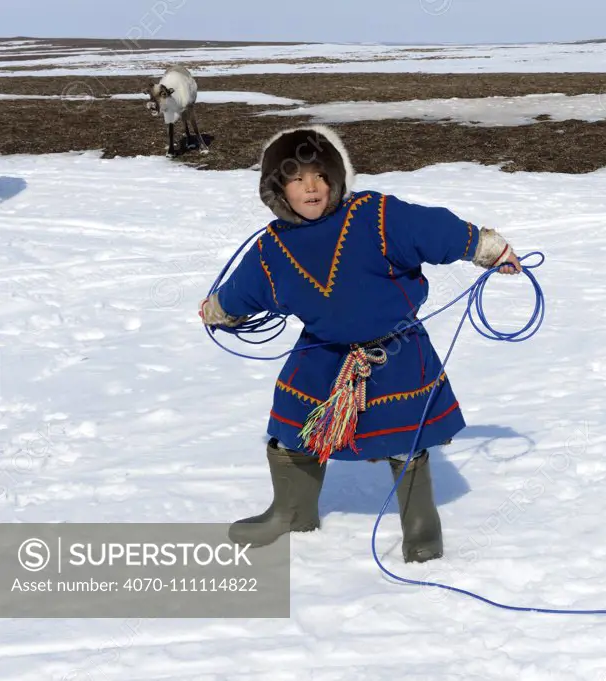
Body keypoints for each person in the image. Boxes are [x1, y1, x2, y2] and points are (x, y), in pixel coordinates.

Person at [199, 125, 521, 562]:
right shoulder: (272, 247)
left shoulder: (375, 216)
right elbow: (245, 289)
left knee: (403, 439)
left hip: (395, 352)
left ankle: (421, 529)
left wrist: (487, 247)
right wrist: (219, 309)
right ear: (278, 190)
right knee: (292, 427)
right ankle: (292, 513)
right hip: (322, 355)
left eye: (319, 175)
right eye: (296, 178)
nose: (310, 187)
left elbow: (432, 229)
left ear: (335, 178)